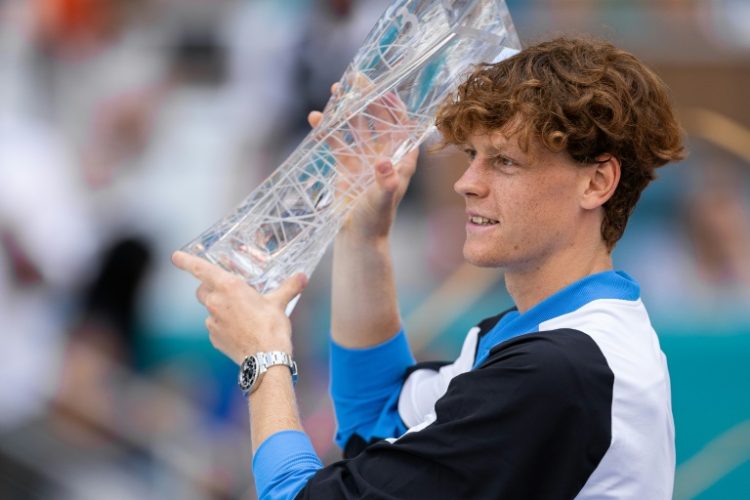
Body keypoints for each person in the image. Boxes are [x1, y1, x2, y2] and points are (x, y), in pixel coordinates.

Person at [173, 36, 685, 499]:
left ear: (596, 183)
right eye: (472, 155)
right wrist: (363, 232)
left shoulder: (560, 370)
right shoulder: (553, 341)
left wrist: (263, 360)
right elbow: (374, 420)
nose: (468, 182)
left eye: (505, 161)